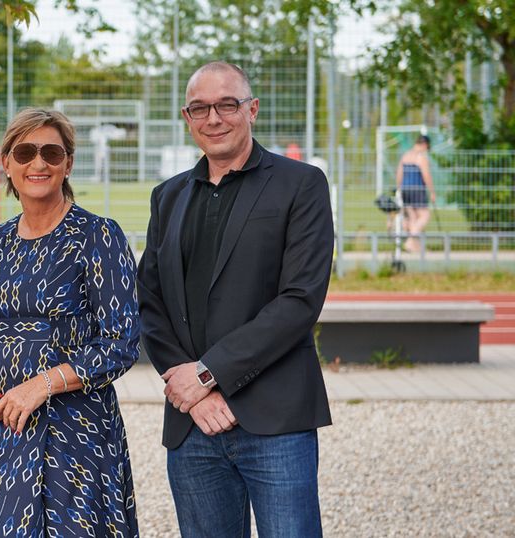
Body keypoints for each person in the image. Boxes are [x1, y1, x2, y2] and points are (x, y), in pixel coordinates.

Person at [138, 61, 334, 537]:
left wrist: (207, 375)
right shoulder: (168, 196)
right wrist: (190, 391)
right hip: (193, 425)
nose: (214, 118)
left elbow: (299, 301)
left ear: (253, 110)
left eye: (227, 104)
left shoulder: (301, 184)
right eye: (200, 108)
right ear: (188, 118)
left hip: (276, 420)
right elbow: (149, 302)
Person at [0, 108, 140, 536]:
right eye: (26, 152)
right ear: (7, 163)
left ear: (68, 163)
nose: (39, 163)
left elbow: (121, 342)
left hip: (74, 433)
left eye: (52, 152)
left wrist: (42, 385)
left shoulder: (98, 236)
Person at [395, 134, 435, 252]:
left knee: (412, 218)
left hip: (405, 189)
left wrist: (399, 188)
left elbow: (399, 174)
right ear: (424, 145)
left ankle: (415, 247)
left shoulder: (406, 155)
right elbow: (426, 175)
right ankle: (410, 242)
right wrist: (432, 191)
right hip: (417, 189)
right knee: (424, 216)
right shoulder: (420, 157)